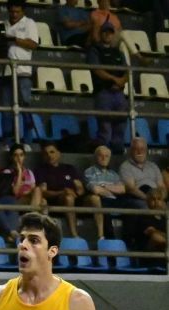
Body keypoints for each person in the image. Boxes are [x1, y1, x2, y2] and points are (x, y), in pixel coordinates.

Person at [0, 0, 38, 144]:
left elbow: (33, 44)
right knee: (6, 110)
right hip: (4, 72)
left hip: (23, 72)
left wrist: (14, 40)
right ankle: (7, 142)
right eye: (12, 11)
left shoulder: (29, 23)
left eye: (17, 12)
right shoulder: (3, 25)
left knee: (25, 107)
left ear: (23, 11)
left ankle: (28, 142)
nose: (14, 14)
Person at [83, 145, 144, 243]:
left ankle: (128, 239)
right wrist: (112, 189)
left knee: (134, 205)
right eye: (101, 155)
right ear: (96, 157)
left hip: (115, 199)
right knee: (103, 205)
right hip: (101, 199)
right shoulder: (90, 171)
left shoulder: (113, 174)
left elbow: (122, 189)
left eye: (107, 156)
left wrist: (104, 186)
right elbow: (95, 190)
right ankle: (109, 240)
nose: (104, 158)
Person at [87, 24, 129, 154]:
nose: (107, 34)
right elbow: (96, 69)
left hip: (119, 93)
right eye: (105, 32)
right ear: (101, 34)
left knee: (120, 125)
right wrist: (115, 79)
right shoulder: (95, 50)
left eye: (110, 32)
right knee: (105, 128)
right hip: (103, 92)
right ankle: (103, 155)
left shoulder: (118, 52)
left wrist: (122, 81)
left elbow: (127, 71)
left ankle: (117, 153)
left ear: (113, 34)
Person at [34, 143, 86, 239]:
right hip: (55, 200)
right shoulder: (41, 170)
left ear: (58, 153)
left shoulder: (69, 168)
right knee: (68, 198)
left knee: (92, 199)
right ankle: (74, 234)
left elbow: (80, 187)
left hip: (75, 198)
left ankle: (101, 236)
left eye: (52, 152)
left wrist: (76, 193)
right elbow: (43, 192)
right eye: (46, 153)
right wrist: (63, 192)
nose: (49, 155)